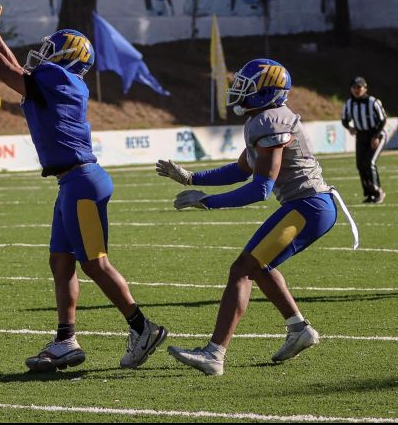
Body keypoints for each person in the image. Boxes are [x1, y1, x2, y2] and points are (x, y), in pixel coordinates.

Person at [0, 0, 168, 373]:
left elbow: (5, 72)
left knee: (95, 265)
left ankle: (142, 328)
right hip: (73, 183)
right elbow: (13, 67)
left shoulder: (57, 78)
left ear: (66, 58)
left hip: (81, 182)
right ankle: (66, 340)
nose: (42, 55)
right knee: (61, 262)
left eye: (52, 50)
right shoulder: (58, 79)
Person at [157, 59, 358, 376]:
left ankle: (214, 354)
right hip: (306, 205)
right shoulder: (261, 119)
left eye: (245, 86)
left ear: (265, 92)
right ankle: (298, 328)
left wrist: (210, 202)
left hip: (309, 206)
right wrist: (192, 179)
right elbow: (240, 169)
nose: (237, 89)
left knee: (242, 270)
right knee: (261, 267)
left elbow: (260, 188)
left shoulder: (271, 121)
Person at [341, 76, 388, 204]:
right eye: (354, 87)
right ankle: (369, 194)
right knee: (360, 165)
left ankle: (378, 191)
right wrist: (349, 127)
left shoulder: (373, 102)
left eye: (359, 87)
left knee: (369, 163)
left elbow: (383, 120)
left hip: (376, 135)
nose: (357, 90)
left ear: (365, 88)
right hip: (361, 136)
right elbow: (345, 119)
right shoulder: (349, 103)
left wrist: (376, 136)